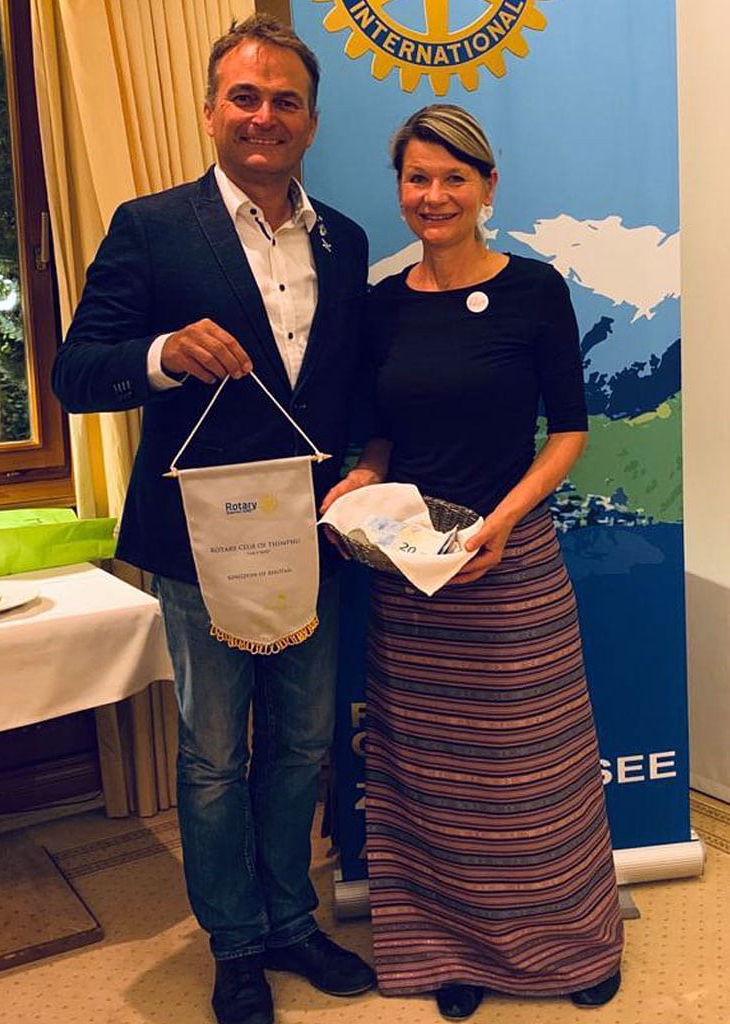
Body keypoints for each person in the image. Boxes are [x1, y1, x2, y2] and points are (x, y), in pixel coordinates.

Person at [52, 15, 375, 1024]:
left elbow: (350, 386)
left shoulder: (346, 238)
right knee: (211, 755)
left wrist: (367, 475)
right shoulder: (151, 226)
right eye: (245, 96)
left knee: (303, 742)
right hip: (202, 548)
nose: (264, 115)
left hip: (312, 541)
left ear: (311, 122)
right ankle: (234, 943)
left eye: (286, 100)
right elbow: (75, 373)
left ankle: (289, 920)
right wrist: (161, 355)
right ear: (208, 111)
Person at [321, 104, 623, 1019]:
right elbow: (380, 433)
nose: (435, 195)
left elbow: (568, 430)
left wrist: (502, 521)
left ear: (488, 187)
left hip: (512, 562)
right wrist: (362, 479)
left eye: (455, 177)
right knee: (434, 778)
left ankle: (573, 948)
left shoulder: (535, 290)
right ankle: (452, 951)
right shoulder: (381, 306)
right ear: (400, 189)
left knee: (539, 773)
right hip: (414, 571)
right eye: (418, 177)